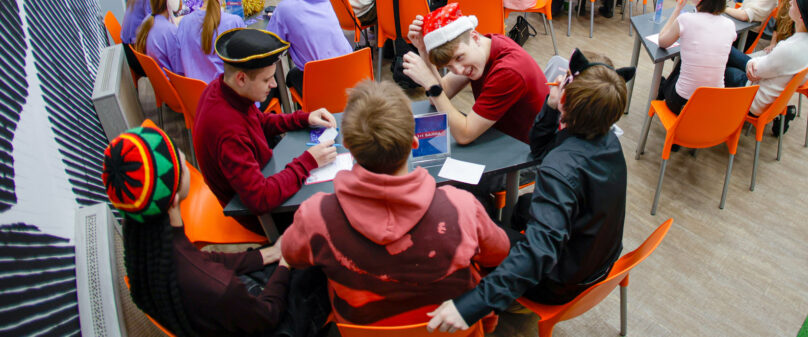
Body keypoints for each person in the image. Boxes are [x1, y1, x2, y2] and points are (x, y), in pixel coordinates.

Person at [426, 49, 632, 333]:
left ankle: (496, 289)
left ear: (568, 99)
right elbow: (540, 148)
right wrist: (551, 106)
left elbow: (539, 252)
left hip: (560, 283)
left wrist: (472, 304)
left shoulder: (560, 168)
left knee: (471, 227)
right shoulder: (606, 138)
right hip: (598, 262)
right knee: (522, 206)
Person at [279, 80, 510, 325]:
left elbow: (292, 256)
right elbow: (499, 253)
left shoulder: (314, 215)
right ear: (414, 142)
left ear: (347, 146)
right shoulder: (462, 206)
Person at [103, 125, 327, 337]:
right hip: (267, 319)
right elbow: (268, 314)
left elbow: (204, 260)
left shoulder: (149, 251)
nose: (183, 156)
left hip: (228, 315)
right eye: (180, 160)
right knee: (319, 254)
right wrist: (285, 263)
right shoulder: (216, 286)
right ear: (173, 199)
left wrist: (268, 254)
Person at [193, 28, 338, 214]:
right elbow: (260, 198)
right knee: (332, 209)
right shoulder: (228, 131)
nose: (274, 84)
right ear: (241, 78)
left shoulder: (223, 88)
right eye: (267, 79)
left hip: (263, 175)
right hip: (261, 216)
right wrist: (308, 161)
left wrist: (304, 118)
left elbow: (258, 121)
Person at [401, 3, 547, 145]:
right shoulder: (482, 47)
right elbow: (441, 94)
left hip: (528, 150)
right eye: (449, 66)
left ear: (475, 37)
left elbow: (464, 135)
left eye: (459, 58)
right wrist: (423, 50)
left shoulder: (508, 71)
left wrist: (431, 84)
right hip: (503, 138)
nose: (458, 71)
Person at [724, 0, 808, 117]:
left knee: (724, 64)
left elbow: (755, 71)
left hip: (755, 100)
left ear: (801, 16)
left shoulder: (789, 49)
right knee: (728, 52)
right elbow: (802, 78)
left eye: (795, 2)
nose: (790, 2)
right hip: (772, 97)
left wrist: (756, 65)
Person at [657, 0, 736, 114]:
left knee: (675, 74)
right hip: (713, 104)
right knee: (689, 63)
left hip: (682, 103)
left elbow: (662, 41)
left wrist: (678, 8)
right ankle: (664, 86)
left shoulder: (686, 20)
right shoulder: (730, 25)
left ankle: (662, 87)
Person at [267, 0, 353, 95]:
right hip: (350, 72)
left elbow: (270, 43)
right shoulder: (325, 1)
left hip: (320, 83)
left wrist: (276, 18)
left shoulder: (283, 9)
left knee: (291, 76)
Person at [176, 0, 245, 84]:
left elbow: (179, 68)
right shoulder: (234, 22)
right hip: (225, 93)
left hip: (195, 93)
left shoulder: (184, 23)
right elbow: (246, 64)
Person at [133, 0, 182, 73]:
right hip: (173, 80)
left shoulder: (147, 21)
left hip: (160, 79)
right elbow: (180, 70)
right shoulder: (170, 32)